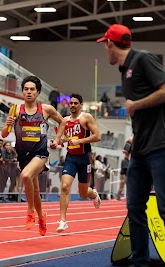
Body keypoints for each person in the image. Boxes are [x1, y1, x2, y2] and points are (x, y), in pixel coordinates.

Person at [97, 24, 165, 266]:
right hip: (140, 149)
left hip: (161, 147)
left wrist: (136, 105)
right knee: (135, 208)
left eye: (105, 46)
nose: (105, 51)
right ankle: (140, 261)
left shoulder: (143, 59)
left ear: (109, 44)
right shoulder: (124, 70)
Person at [1, 75, 65, 236]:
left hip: (40, 154)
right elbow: (3, 134)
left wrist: (57, 140)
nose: (29, 92)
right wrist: (7, 125)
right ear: (22, 92)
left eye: (32, 89)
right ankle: (42, 217)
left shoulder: (46, 109)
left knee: (25, 176)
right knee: (35, 190)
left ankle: (30, 212)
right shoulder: (16, 109)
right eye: (26, 89)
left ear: (37, 93)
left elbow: (62, 122)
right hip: (23, 156)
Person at [51, 94, 101, 233]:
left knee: (83, 193)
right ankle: (62, 221)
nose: (72, 105)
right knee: (65, 187)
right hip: (71, 158)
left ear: (81, 105)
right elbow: (62, 138)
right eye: (71, 103)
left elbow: (97, 136)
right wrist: (56, 142)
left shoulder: (86, 118)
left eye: (75, 103)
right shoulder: (65, 120)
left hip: (85, 158)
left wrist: (80, 141)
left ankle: (93, 194)